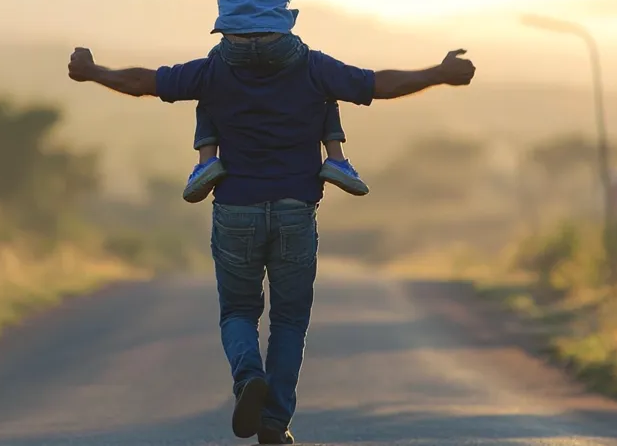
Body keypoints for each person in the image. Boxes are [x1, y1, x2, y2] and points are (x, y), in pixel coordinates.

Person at [68, 43, 476, 444]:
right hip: (296, 209)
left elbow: (144, 81)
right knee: (289, 321)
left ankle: (249, 376)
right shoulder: (313, 67)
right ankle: (274, 421)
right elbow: (378, 85)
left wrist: (94, 71)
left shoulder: (214, 69)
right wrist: (439, 73)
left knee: (238, 312)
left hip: (235, 209)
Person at [109, 0, 404, 203]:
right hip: (280, 45)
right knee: (320, 81)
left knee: (211, 81)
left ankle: (207, 160)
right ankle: (335, 156)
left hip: (233, 47)